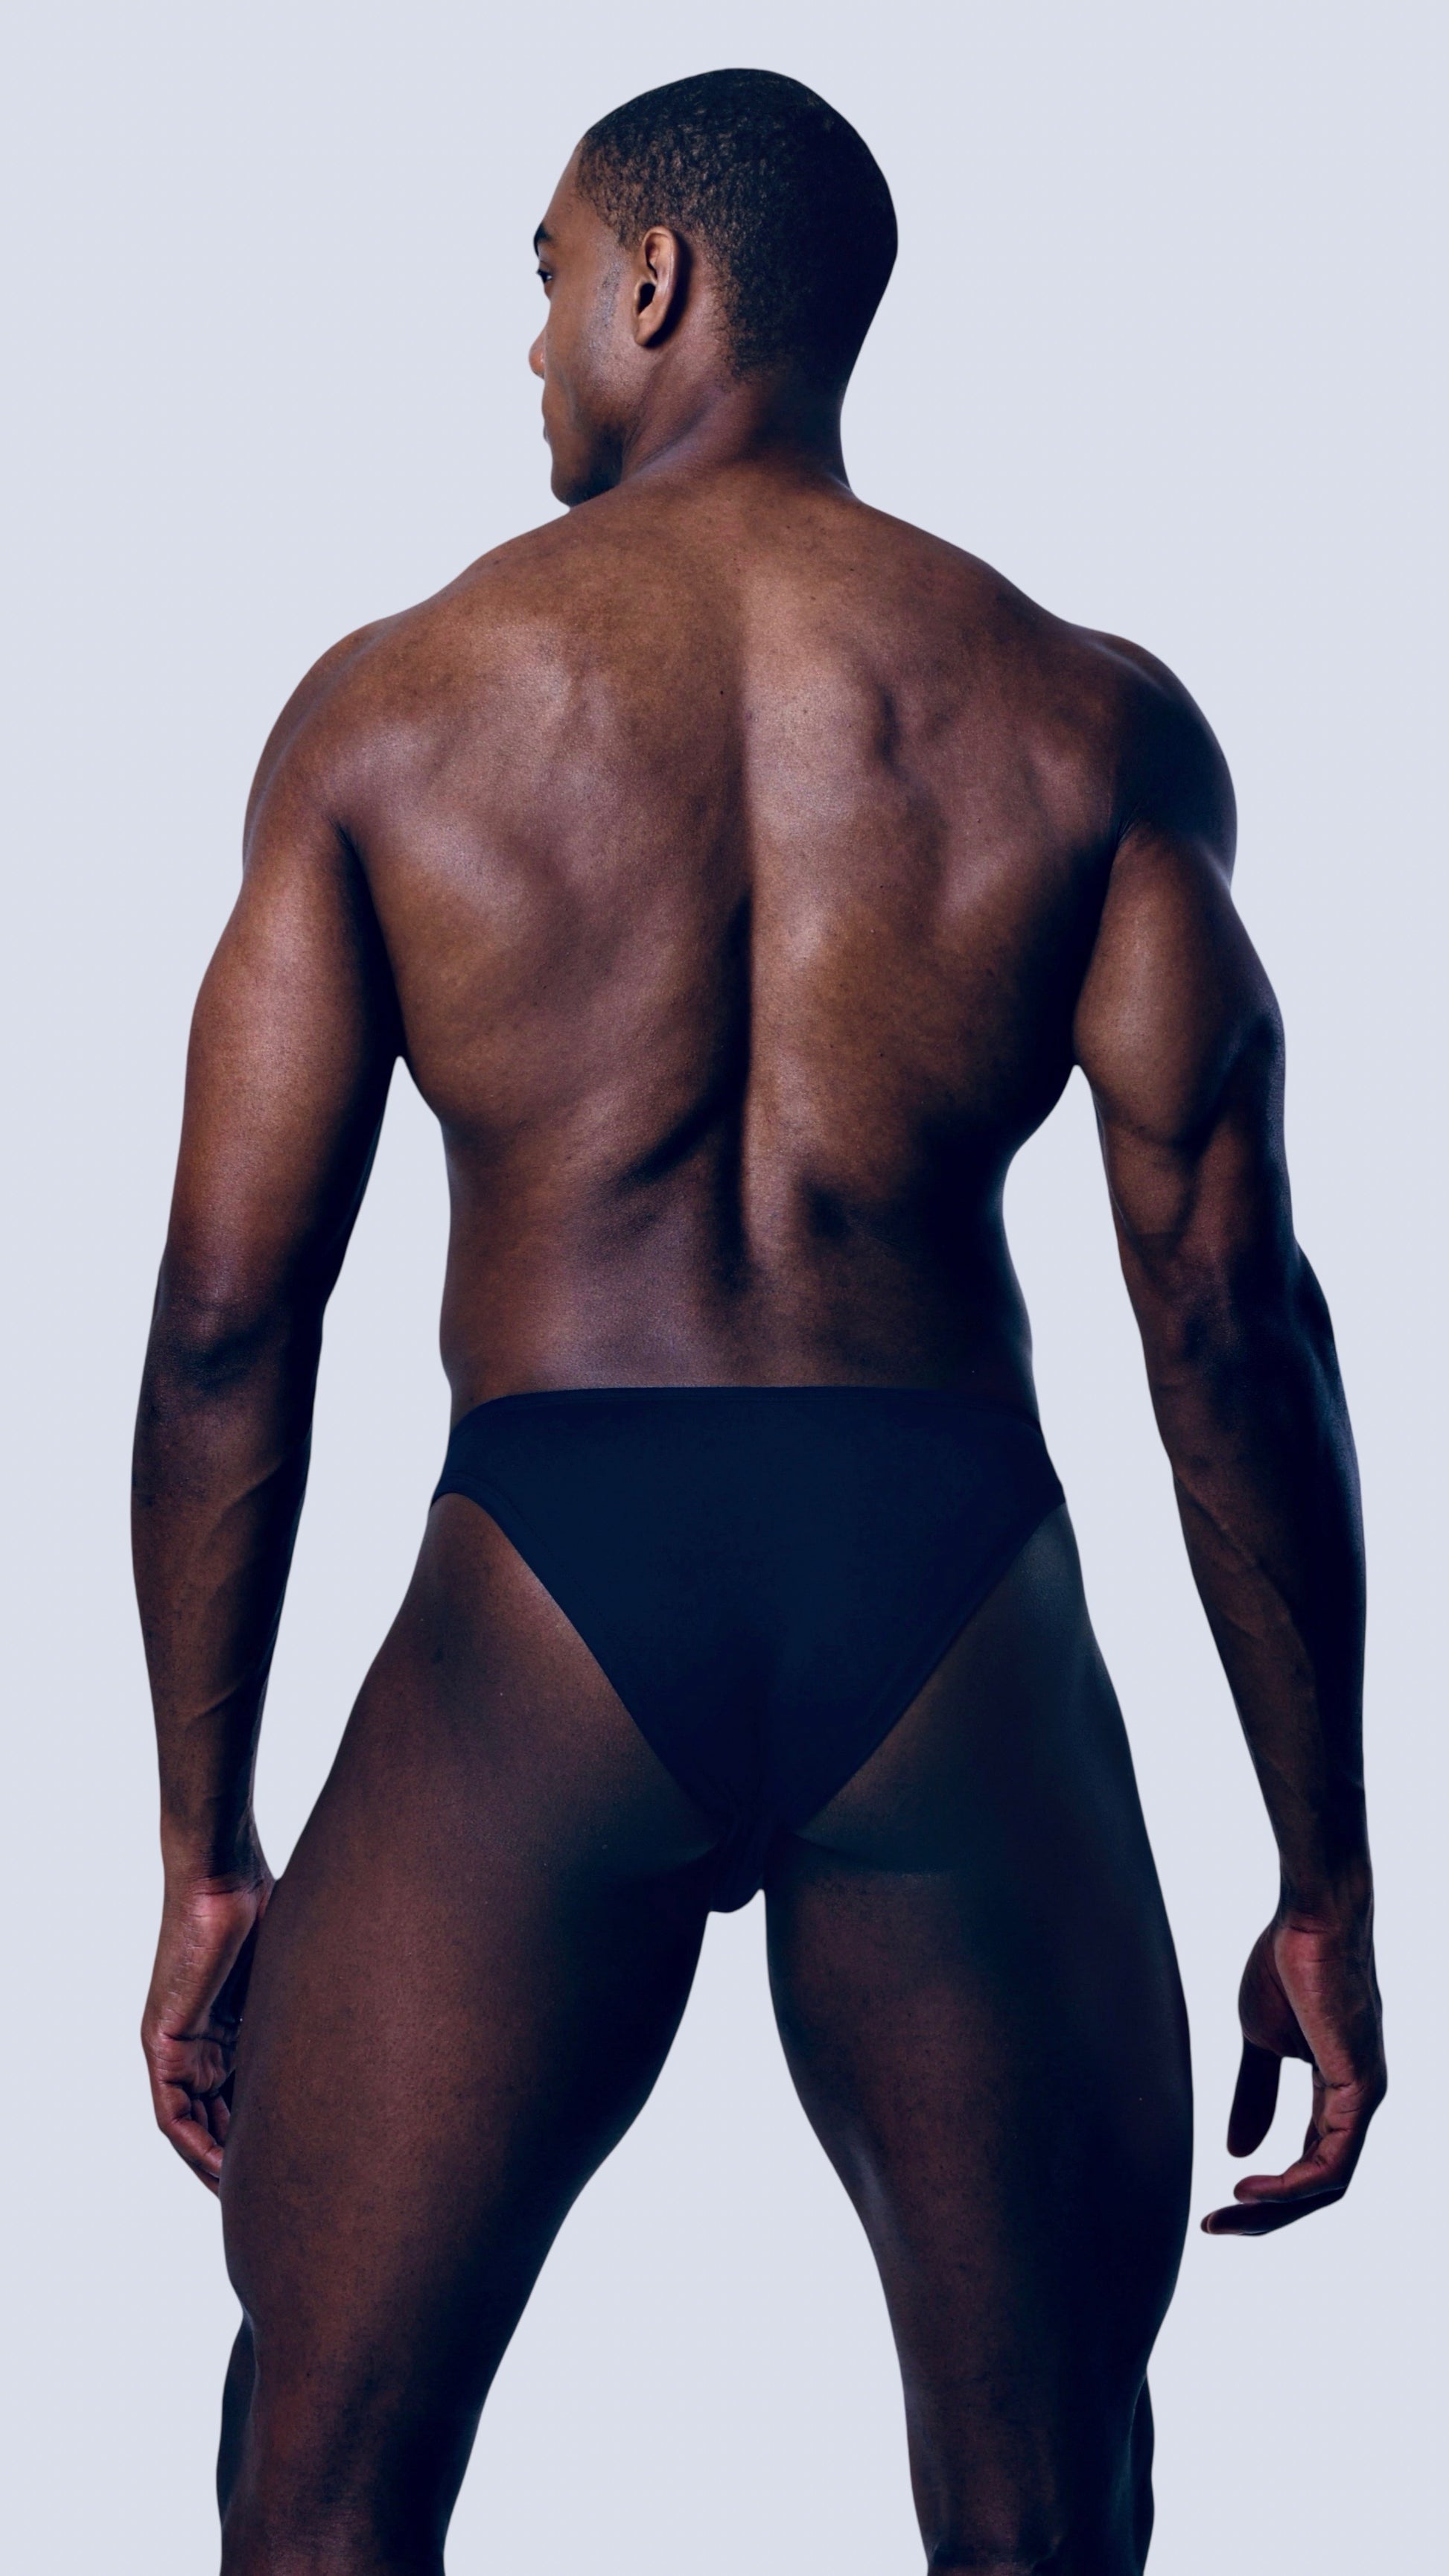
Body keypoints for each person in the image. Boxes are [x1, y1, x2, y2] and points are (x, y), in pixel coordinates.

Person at [133, 67, 1385, 2575]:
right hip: (950, 1586)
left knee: (319, 2487)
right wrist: (1320, 1868)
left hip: (542, 1584)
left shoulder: (394, 708)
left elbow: (229, 1321)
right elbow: (1223, 1312)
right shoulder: (1079, 717)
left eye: (544, 280)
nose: (529, 349)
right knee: (1047, 2508)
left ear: (656, 279)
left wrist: (203, 1843)